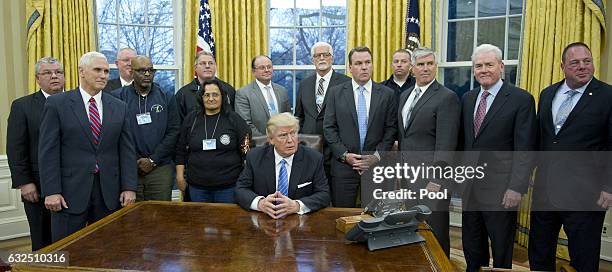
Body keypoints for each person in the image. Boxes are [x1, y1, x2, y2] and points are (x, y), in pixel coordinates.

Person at [529, 42, 612, 271]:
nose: (583, 66)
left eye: (587, 61)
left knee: (584, 258)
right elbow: (541, 140)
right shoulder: (547, 94)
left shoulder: (608, 96)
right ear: (563, 66)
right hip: (545, 191)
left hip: (587, 194)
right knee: (540, 252)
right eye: (575, 62)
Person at [38, 51, 137, 242]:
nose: (103, 75)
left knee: (107, 248)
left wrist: (129, 187)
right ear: (81, 72)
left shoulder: (119, 106)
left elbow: (127, 151)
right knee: (67, 250)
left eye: (107, 71)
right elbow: (48, 152)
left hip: (109, 193)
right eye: (98, 70)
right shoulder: (57, 104)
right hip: (68, 193)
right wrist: (51, 191)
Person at [459, 44, 536, 271]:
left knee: (501, 247)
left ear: (501, 67)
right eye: (479, 66)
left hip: (502, 190)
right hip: (470, 187)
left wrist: (516, 187)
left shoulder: (521, 100)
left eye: (489, 65)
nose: (484, 70)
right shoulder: (467, 98)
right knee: (472, 244)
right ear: (474, 70)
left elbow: (525, 149)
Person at [397, 47, 460, 257]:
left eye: (430, 64)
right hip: (408, 177)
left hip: (432, 180)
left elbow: (446, 144)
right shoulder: (405, 95)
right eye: (421, 64)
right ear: (412, 68)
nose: (426, 68)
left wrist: (437, 180)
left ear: (436, 66)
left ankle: (441, 267)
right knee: (414, 228)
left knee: (435, 231)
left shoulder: (446, 97)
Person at [323, 46, 398, 208]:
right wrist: (345, 155)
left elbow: (391, 129)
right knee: (341, 218)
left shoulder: (387, 94)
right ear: (350, 67)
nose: (364, 67)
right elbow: (329, 128)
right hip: (344, 167)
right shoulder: (336, 93)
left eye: (368, 62)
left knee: (374, 218)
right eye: (358, 63)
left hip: (376, 167)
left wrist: (376, 156)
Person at [7, 57, 65, 250]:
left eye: (59, 72)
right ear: (37, 78)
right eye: (48, 73)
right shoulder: (22, 106)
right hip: (37, 187)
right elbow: (16, 149)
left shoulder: (76, 102)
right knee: (43, 242)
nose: (54, 76)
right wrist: (24, 183)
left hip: (73, 184)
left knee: (72, 240)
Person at [111, 55, 180, 201]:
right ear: (131, 72)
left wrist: (153, 160)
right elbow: (115, 134)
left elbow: (174, 131)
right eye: (142, 70)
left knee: (160, 216)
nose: (147, 74)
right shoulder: (118, 98)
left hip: (160, 167)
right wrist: (135, 160)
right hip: (129, 168)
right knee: (133, 217)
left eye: (151, 70)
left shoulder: (167, 97)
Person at [235, 113, 330, 218]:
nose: (290, 140)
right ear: (271, 139)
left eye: (293, 133)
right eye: (283, 135)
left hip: (300, 221)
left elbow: (324, 194)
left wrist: (297, 205)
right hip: (264, 219)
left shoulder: (314, 159)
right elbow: (241, 189)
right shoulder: (255, 157)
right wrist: (260, 203)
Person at [175, 79, 250, 203]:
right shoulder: (191, 119)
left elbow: (246, 150)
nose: (211, 99)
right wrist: (179, 176)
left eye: (215, 94)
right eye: (207, 95)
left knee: (226, 222)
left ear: (222, 97)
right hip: (196, 187)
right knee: (198, 221)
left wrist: (247, 179)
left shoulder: (234, 119)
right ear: (201, 98)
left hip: (229, 187)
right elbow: (180, 149)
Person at [295, 41, 351, 135]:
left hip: (335, 141)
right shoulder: (304, 84)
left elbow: (349, 117)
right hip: (308, 141)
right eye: (317, 55)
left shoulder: (346, 83)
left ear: (332, 58)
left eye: (326, 55)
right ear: (313, 60)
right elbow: (299, 116)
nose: (322, 58)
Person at [235, 55, 290, 136]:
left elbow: (288, 117)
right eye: (262, 68)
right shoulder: (243, 93)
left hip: (282, 142)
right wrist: (265, 140)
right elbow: (245, 123)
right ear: (253, 72)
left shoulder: (282, 91)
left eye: (269, 67)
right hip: (258, 143)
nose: (266, 70)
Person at [175, 50, 236, 122]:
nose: (207, 66)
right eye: (203, 63)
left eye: (211, 63)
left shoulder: (228, 90)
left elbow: (234, 118)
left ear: (215, 67)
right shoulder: (183, 94)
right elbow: (177, 124)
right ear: (195, 68)